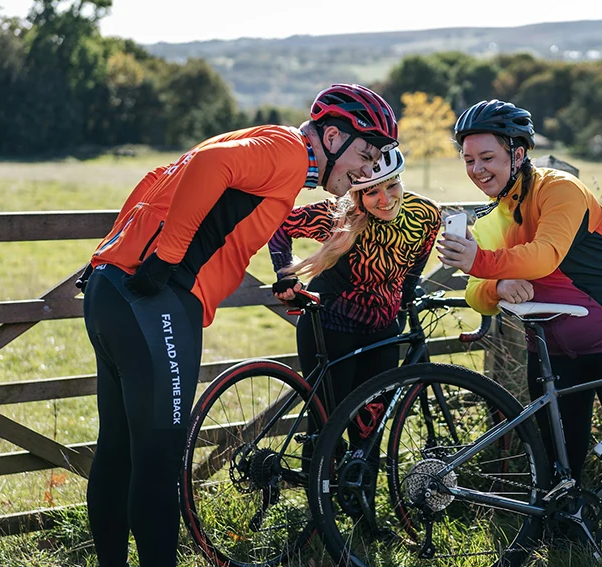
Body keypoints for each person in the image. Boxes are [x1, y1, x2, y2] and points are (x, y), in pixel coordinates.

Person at [76, 83, 398, 567]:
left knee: (119, 452)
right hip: (153, 299)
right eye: (366, 154)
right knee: (159, 464)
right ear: (331, 137)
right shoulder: (289, 152)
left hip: (115, 292)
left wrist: (114, 249)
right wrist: (166, 256)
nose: (368, 170)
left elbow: (158, 178)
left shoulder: (271, 142)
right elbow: (207, 169)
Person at [437, 99, 602, 550]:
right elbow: (475, 294)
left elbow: (546, 254)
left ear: (517, 154)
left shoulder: (560, 189)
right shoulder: (497, 218)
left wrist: (483, 263)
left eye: (488, 158)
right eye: (469, 160)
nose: (477, 170)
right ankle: (564, 548)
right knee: (558, 461)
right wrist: (497, 286)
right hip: (554, 349)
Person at [269, 147, 441, 524]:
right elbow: (278, 225)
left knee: (370, 428)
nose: (385, 199)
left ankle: (362, 512)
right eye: (372, 192)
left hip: (384, 329)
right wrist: (286, 275)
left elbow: (420, 255)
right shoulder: (337, 218)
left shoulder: (425, 214)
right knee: (327, 426)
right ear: (358, 195)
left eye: (391, 186)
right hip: (330, 327)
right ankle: (320, 519)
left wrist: (408, 293)